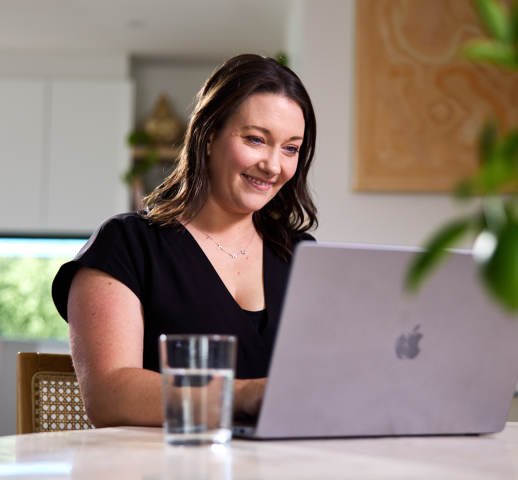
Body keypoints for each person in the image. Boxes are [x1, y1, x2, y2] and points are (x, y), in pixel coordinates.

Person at [51, 54, 318, 427]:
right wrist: (244, 394)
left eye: (290, 148)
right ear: (208, 137)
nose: (274, 165)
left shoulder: (303, 256)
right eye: (256, 140)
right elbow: (108, 395)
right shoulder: (126, 246)